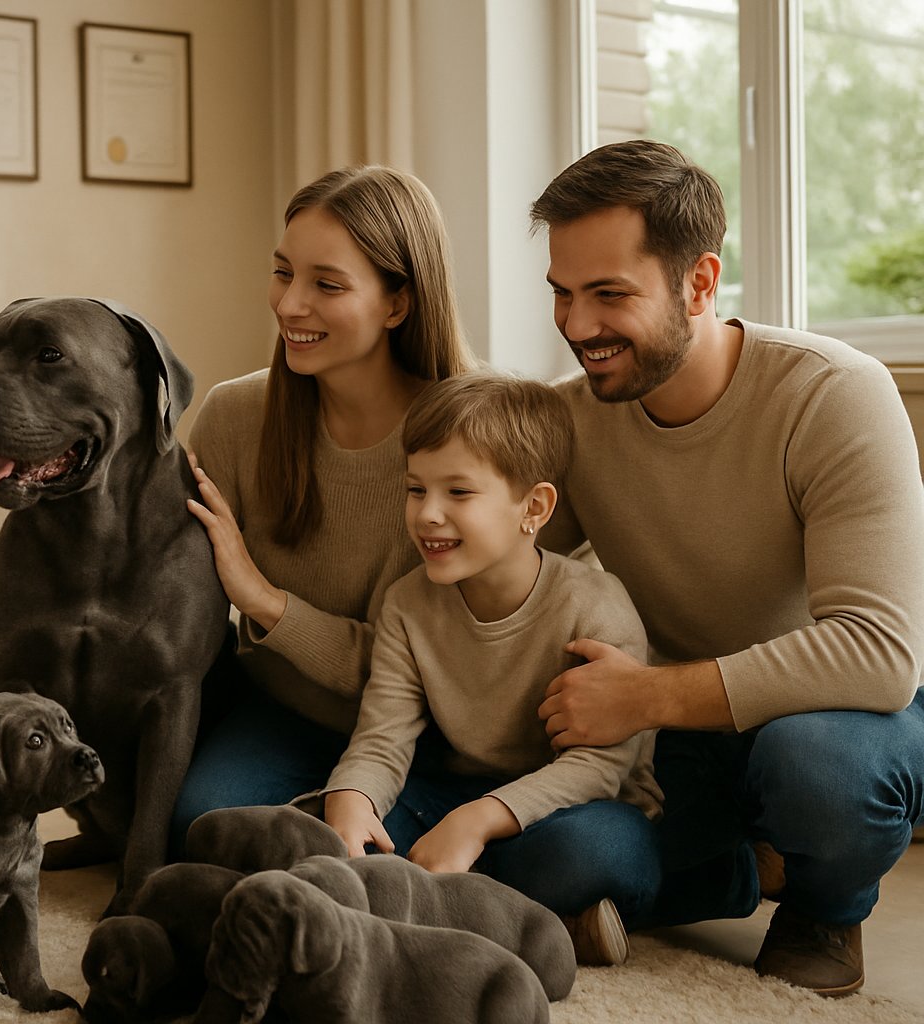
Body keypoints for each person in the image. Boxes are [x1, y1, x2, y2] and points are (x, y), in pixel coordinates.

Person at [530, 139, 924, 996]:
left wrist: (646, 694)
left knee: (820, 771)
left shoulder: (835, 393)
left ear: (701, 283)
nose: (577, 326)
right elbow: (493, 568)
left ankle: (826, 902)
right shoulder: (572, 419)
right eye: (562, 293)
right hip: (680, 745)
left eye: (609, 295)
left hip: (836, 720)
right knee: (559, 857)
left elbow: (879, 654)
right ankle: (753, 871)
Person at [175, 165, 476, 841]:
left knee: (574, 856)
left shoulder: (474, 435)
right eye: (284, 273)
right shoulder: (235, 415)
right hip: (288, 711)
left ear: (397, 302)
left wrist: (263, 601)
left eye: (326, 285)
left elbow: (441, 673)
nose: (288, 305)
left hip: (426, 727)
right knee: (205, 824)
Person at [317, 373, 660, 967]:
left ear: (534, 507)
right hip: (456, 792)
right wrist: (352, 796)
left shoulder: (596, 604)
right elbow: (383, 738)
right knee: (326, 830)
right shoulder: (407, 603)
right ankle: (528, 921)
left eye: (459, 493)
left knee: (593, 852)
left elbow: (599, 769)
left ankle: (451, 905)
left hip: (576, 807)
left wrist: (478, 821)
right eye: (416, 489)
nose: (428, 515)